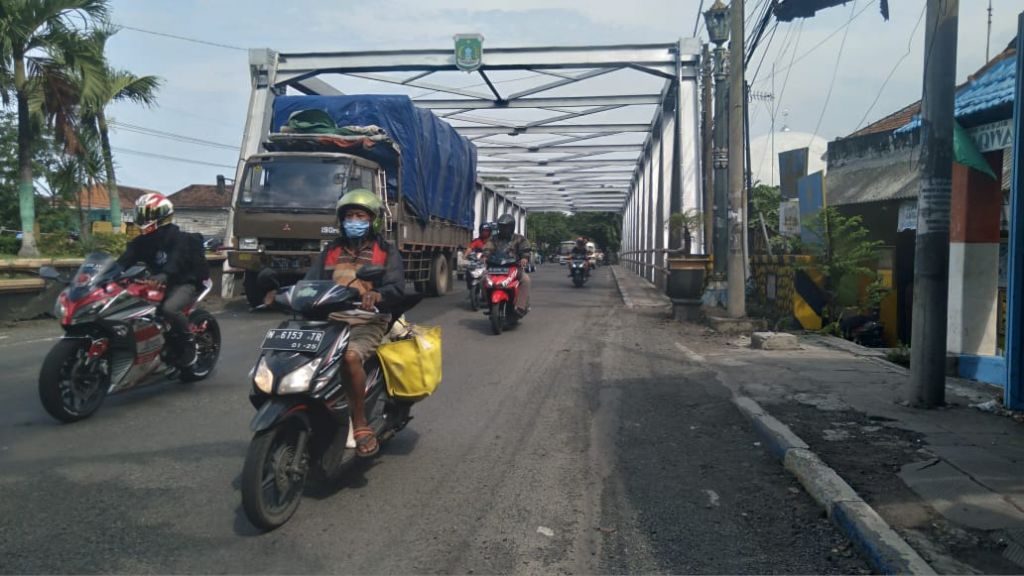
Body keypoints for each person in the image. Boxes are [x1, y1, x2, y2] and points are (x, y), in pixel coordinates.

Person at [303, 188, 404, 458]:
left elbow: (397, 286)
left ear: (374, 220)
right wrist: (284, 294)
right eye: (349, 215)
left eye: (360, 215)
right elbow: (310, 282)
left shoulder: (385, 251)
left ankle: (359, 423)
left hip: (368, 319)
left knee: (349, 357)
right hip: (332, 318)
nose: (354, 220)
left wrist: (377, 294)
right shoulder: (332, 250)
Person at [117, 193, 210, 367]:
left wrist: (165, 274)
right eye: (140, 213)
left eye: (146, 214)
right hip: (156, 284)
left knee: (169, 309)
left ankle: (188, 342)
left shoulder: (178, 238)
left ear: (161, 216)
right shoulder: (141, 242)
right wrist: (107, 275)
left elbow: (176, 258)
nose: (142, 218)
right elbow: (123, 261)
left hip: (184, 282)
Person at [481, 213, 532, 315]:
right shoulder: (494, 238)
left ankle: (520, 307)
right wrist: (485, 256)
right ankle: (488, 303)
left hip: (514, 267)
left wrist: (524, 258)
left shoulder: (519, 238)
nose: (504, 229)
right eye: (502, 227)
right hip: (495, 267)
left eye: (506, 227)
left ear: (511, 227)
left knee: (526, 280)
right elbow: (488, 247)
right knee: (483, 279)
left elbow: (525, 249)